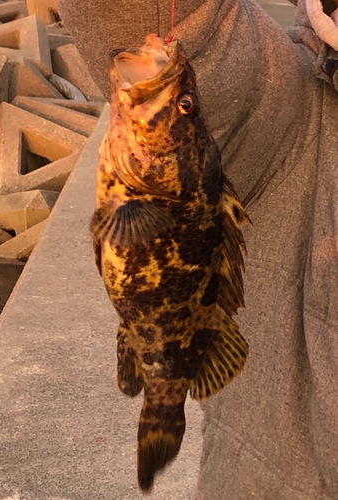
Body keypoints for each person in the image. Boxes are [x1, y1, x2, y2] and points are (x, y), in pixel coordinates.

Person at [58, 0, 338, 498]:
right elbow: (200, 38)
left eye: (185, 106)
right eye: (186, 107)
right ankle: (163, 403)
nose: (182, 102)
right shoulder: (295, 98)